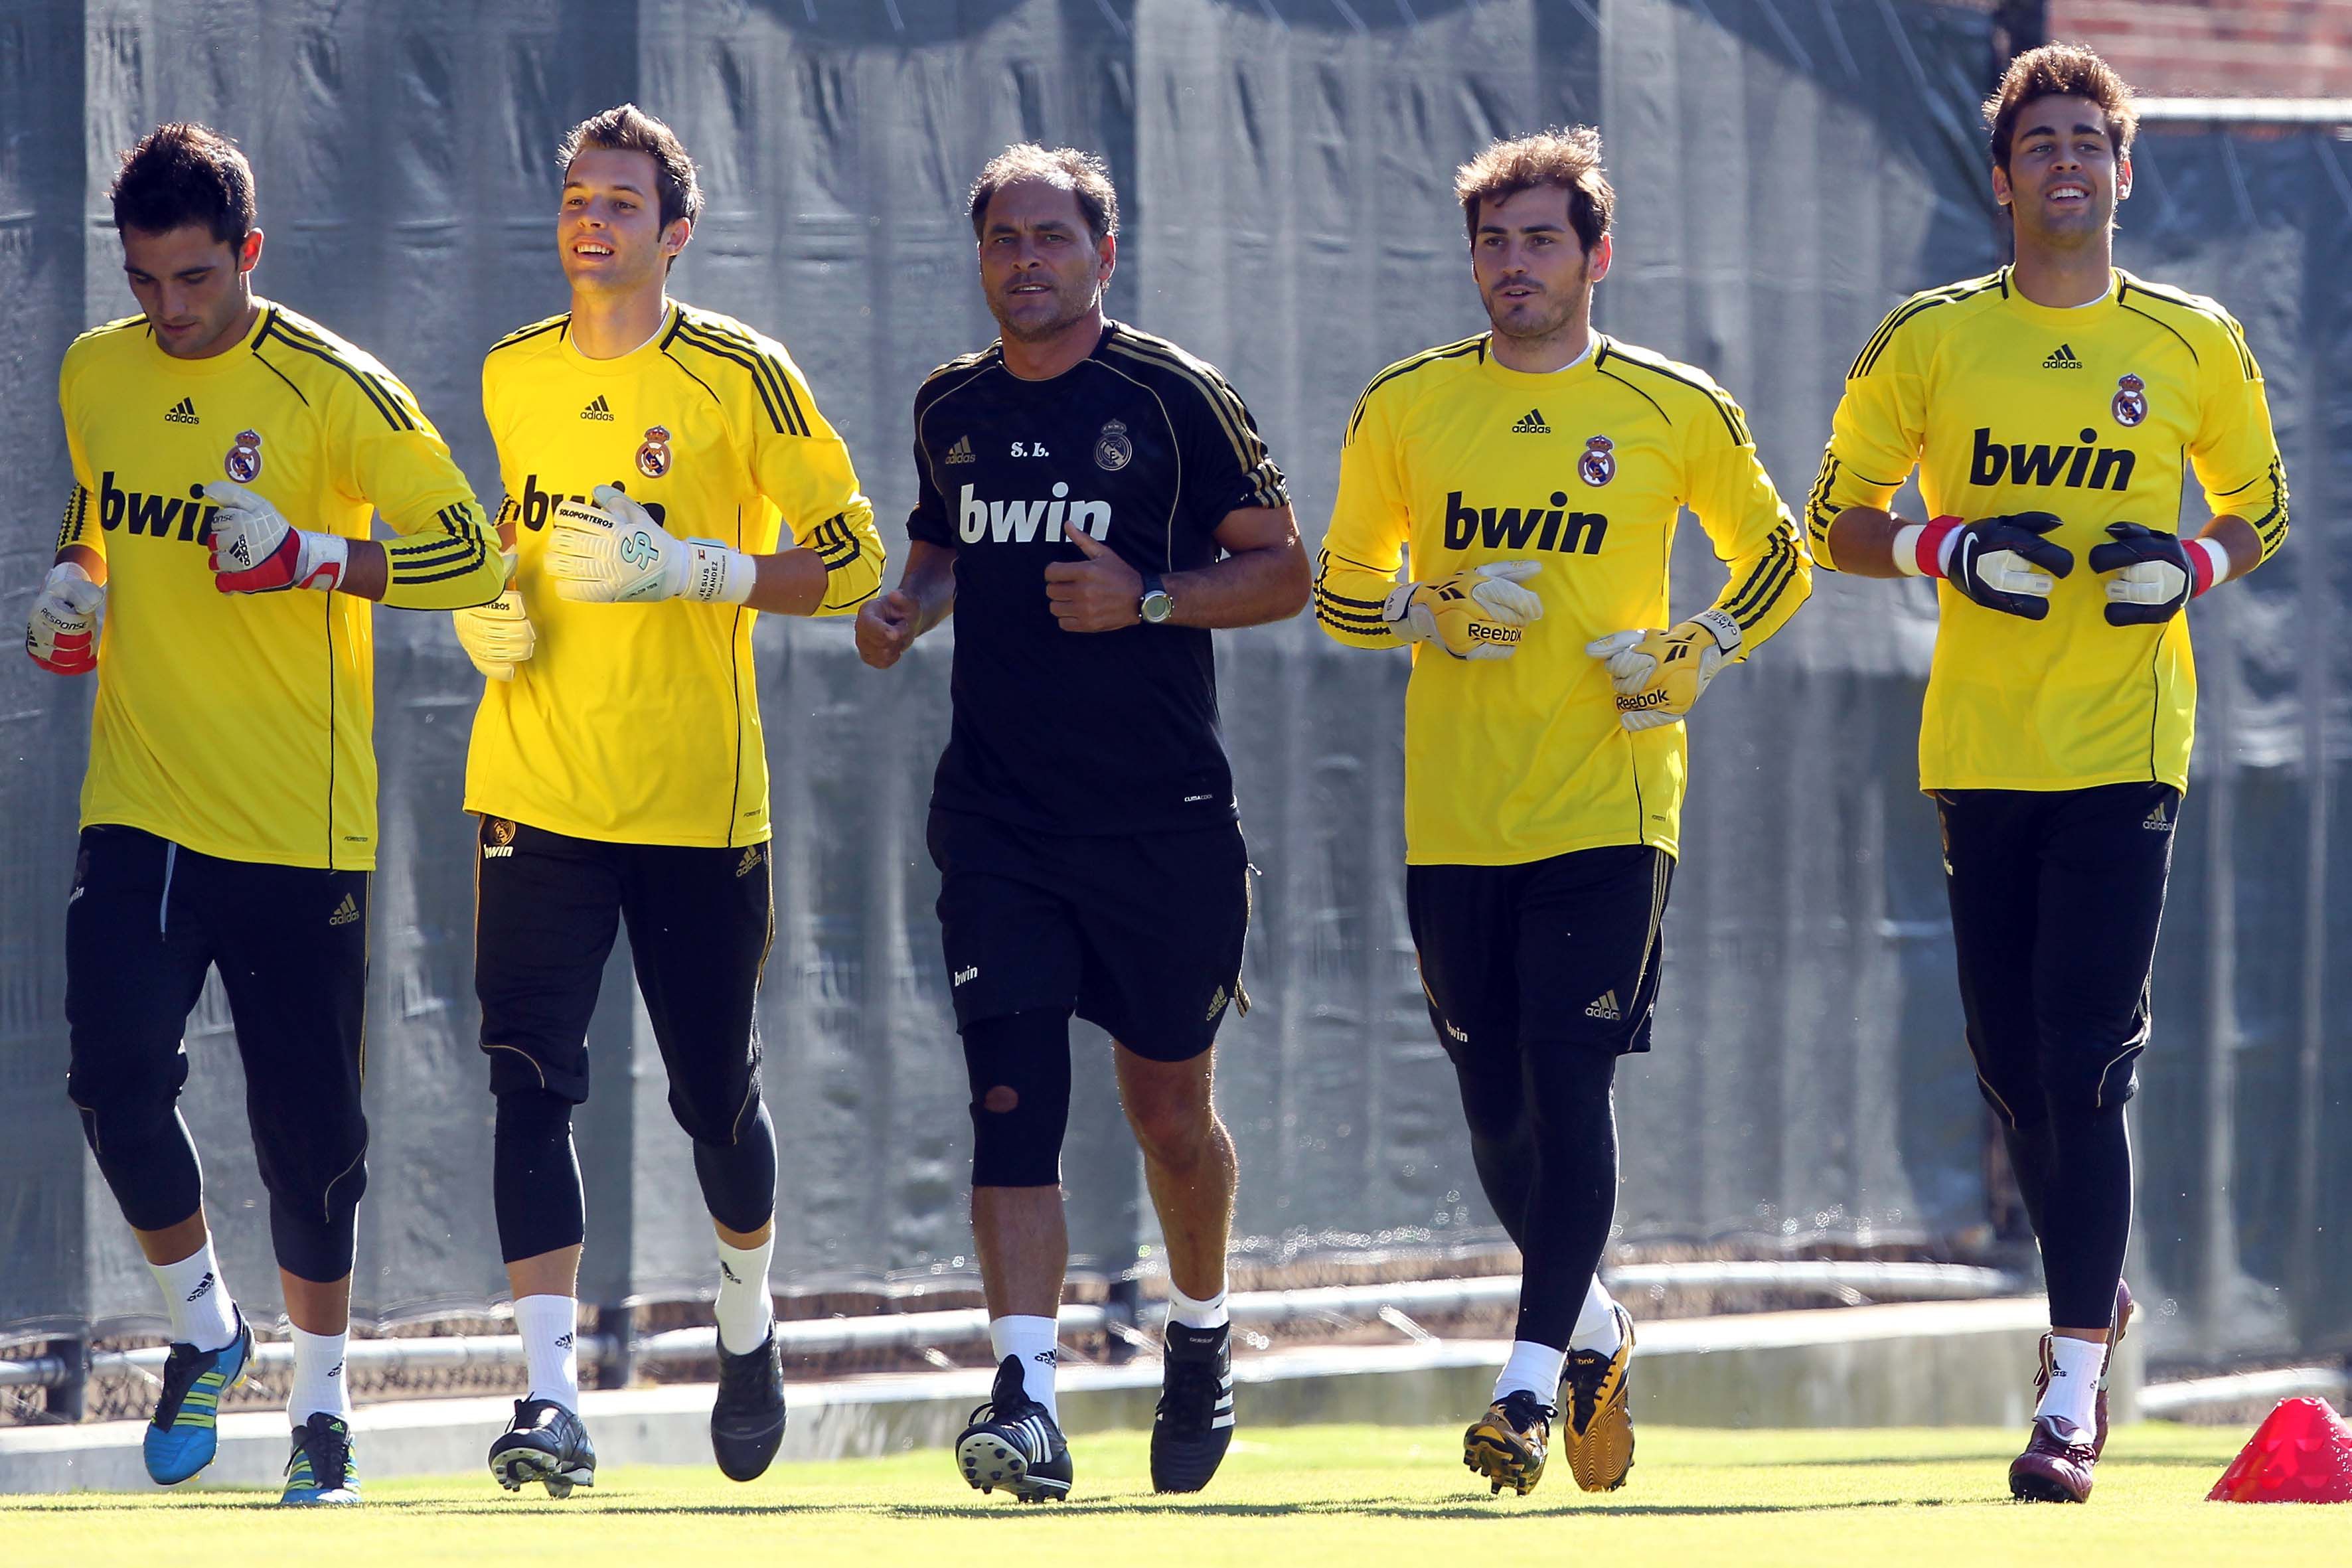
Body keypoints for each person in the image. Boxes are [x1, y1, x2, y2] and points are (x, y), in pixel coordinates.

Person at [1806, 44, 2286, 1503]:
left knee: (2084, 1058)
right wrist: (1946, 544)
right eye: (2039, 143)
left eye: (2087, 139)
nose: (2065, 161)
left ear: (2123, 172)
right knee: (2010, 1064)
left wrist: (2189, 566)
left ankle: (2070, 1388)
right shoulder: (1931, 335)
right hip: (1979, 747)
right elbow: (1836, 515)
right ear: (2002, 177)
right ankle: (2096, 1274)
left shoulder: (2192, 337)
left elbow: (2260, 508)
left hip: (2124, 744)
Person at [1313, 127, 1810, 1497]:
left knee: (1569, 1073)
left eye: (1540, 239)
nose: (1513, 263)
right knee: (1495, 1110)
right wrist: (1427, 609)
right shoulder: (1406, 403)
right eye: (1493, 241)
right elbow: (1339, 589)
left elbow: (1778, 556)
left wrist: (1699, 645)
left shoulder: (1672, 405)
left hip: (1612, 799)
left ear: (1598, 258)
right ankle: (1593, 1328)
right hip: (1456, 814)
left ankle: (1524, 1386)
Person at [31, 121, 505, 1506]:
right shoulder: (96, 370)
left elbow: (472, 553)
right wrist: (73, 590)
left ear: (248, 252)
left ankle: (322, 1407)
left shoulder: (334, 388)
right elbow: (100, 512)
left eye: (193, 278)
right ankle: (206, 1329)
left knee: (311, 1141)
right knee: (112, 1077)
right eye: (142, 280)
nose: (168, 309)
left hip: (301, 828)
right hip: (142, 806)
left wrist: (311, 554)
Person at [855, 143, 1307, 1502]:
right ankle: (1028, 1396)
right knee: (1009, 1100)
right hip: (998, 820)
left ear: (1103, 255)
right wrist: (905, 605)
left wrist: (1151, 598)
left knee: (1168, 1110)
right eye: (1004, 239)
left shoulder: (1172, 396)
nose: (1026, 260)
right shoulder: (948, 403)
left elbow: (1285, 570)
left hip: (1161, 825)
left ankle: (1200, 1329)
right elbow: (944, 544)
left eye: (1052, 237)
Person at [453, 104, 883, 1496]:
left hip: (697, 806)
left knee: (715, 1100)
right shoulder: (511, 368)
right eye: (577, 198)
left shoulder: (739, 373)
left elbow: (855, 561)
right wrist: (488, 611)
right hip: (534, 786)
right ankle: (549, 1396)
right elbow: (514, 542)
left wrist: (700, 568)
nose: (593, 221)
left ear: (676, 230)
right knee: (529, 1077)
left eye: (622, 203)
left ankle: (745, 1319)